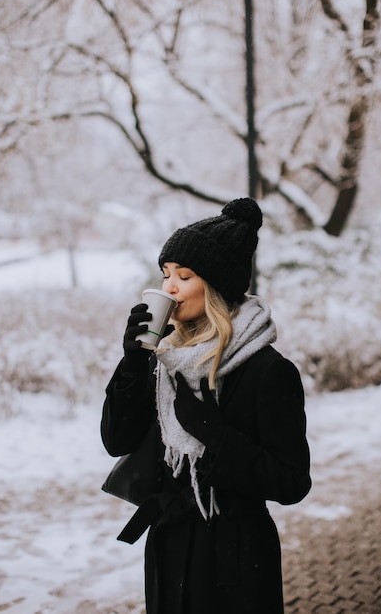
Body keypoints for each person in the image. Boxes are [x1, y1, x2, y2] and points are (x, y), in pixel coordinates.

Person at [101, 197, 311, 614]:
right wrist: (131, 363)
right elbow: (115, 439)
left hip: (236, 563)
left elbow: (291, 481)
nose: (169, 289)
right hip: (170, 551)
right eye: (165, 275)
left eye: (184, 275)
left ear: (215, 284)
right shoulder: (162, 361)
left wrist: (214, 434)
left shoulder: (267, 370)